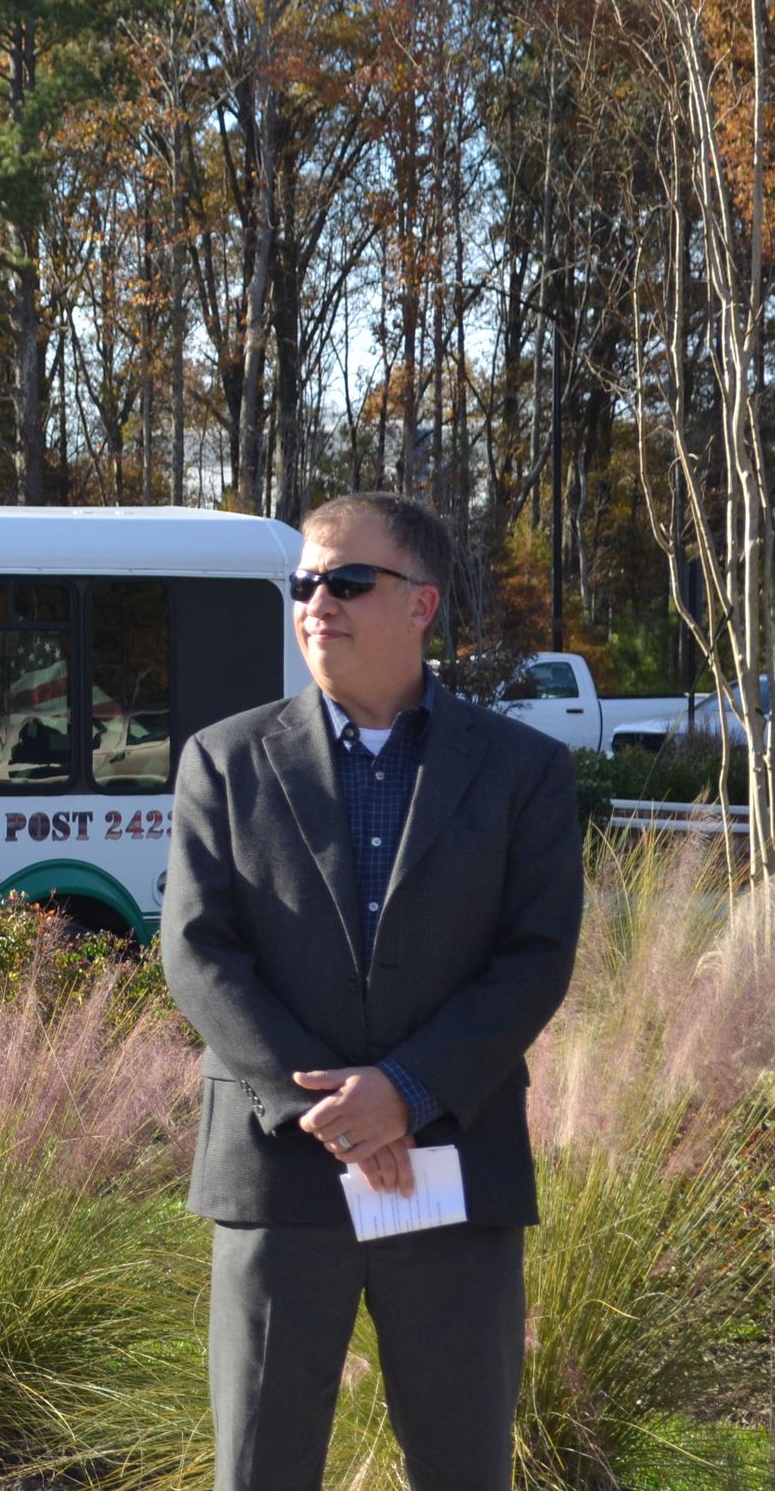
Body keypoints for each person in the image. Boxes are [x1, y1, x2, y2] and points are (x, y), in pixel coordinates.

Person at [161, 492, 582, 1491]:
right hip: (277, 1170)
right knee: (258, 1468)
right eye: (302, 581)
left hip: (449, 1165)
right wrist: (327, 1104)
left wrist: (406, 1087)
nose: (315, 601)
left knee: (458, 1465)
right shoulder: (222, 760)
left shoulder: (522, 769)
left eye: (345, 581)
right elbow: (195, 949)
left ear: (419, 603)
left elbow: (533, 955)